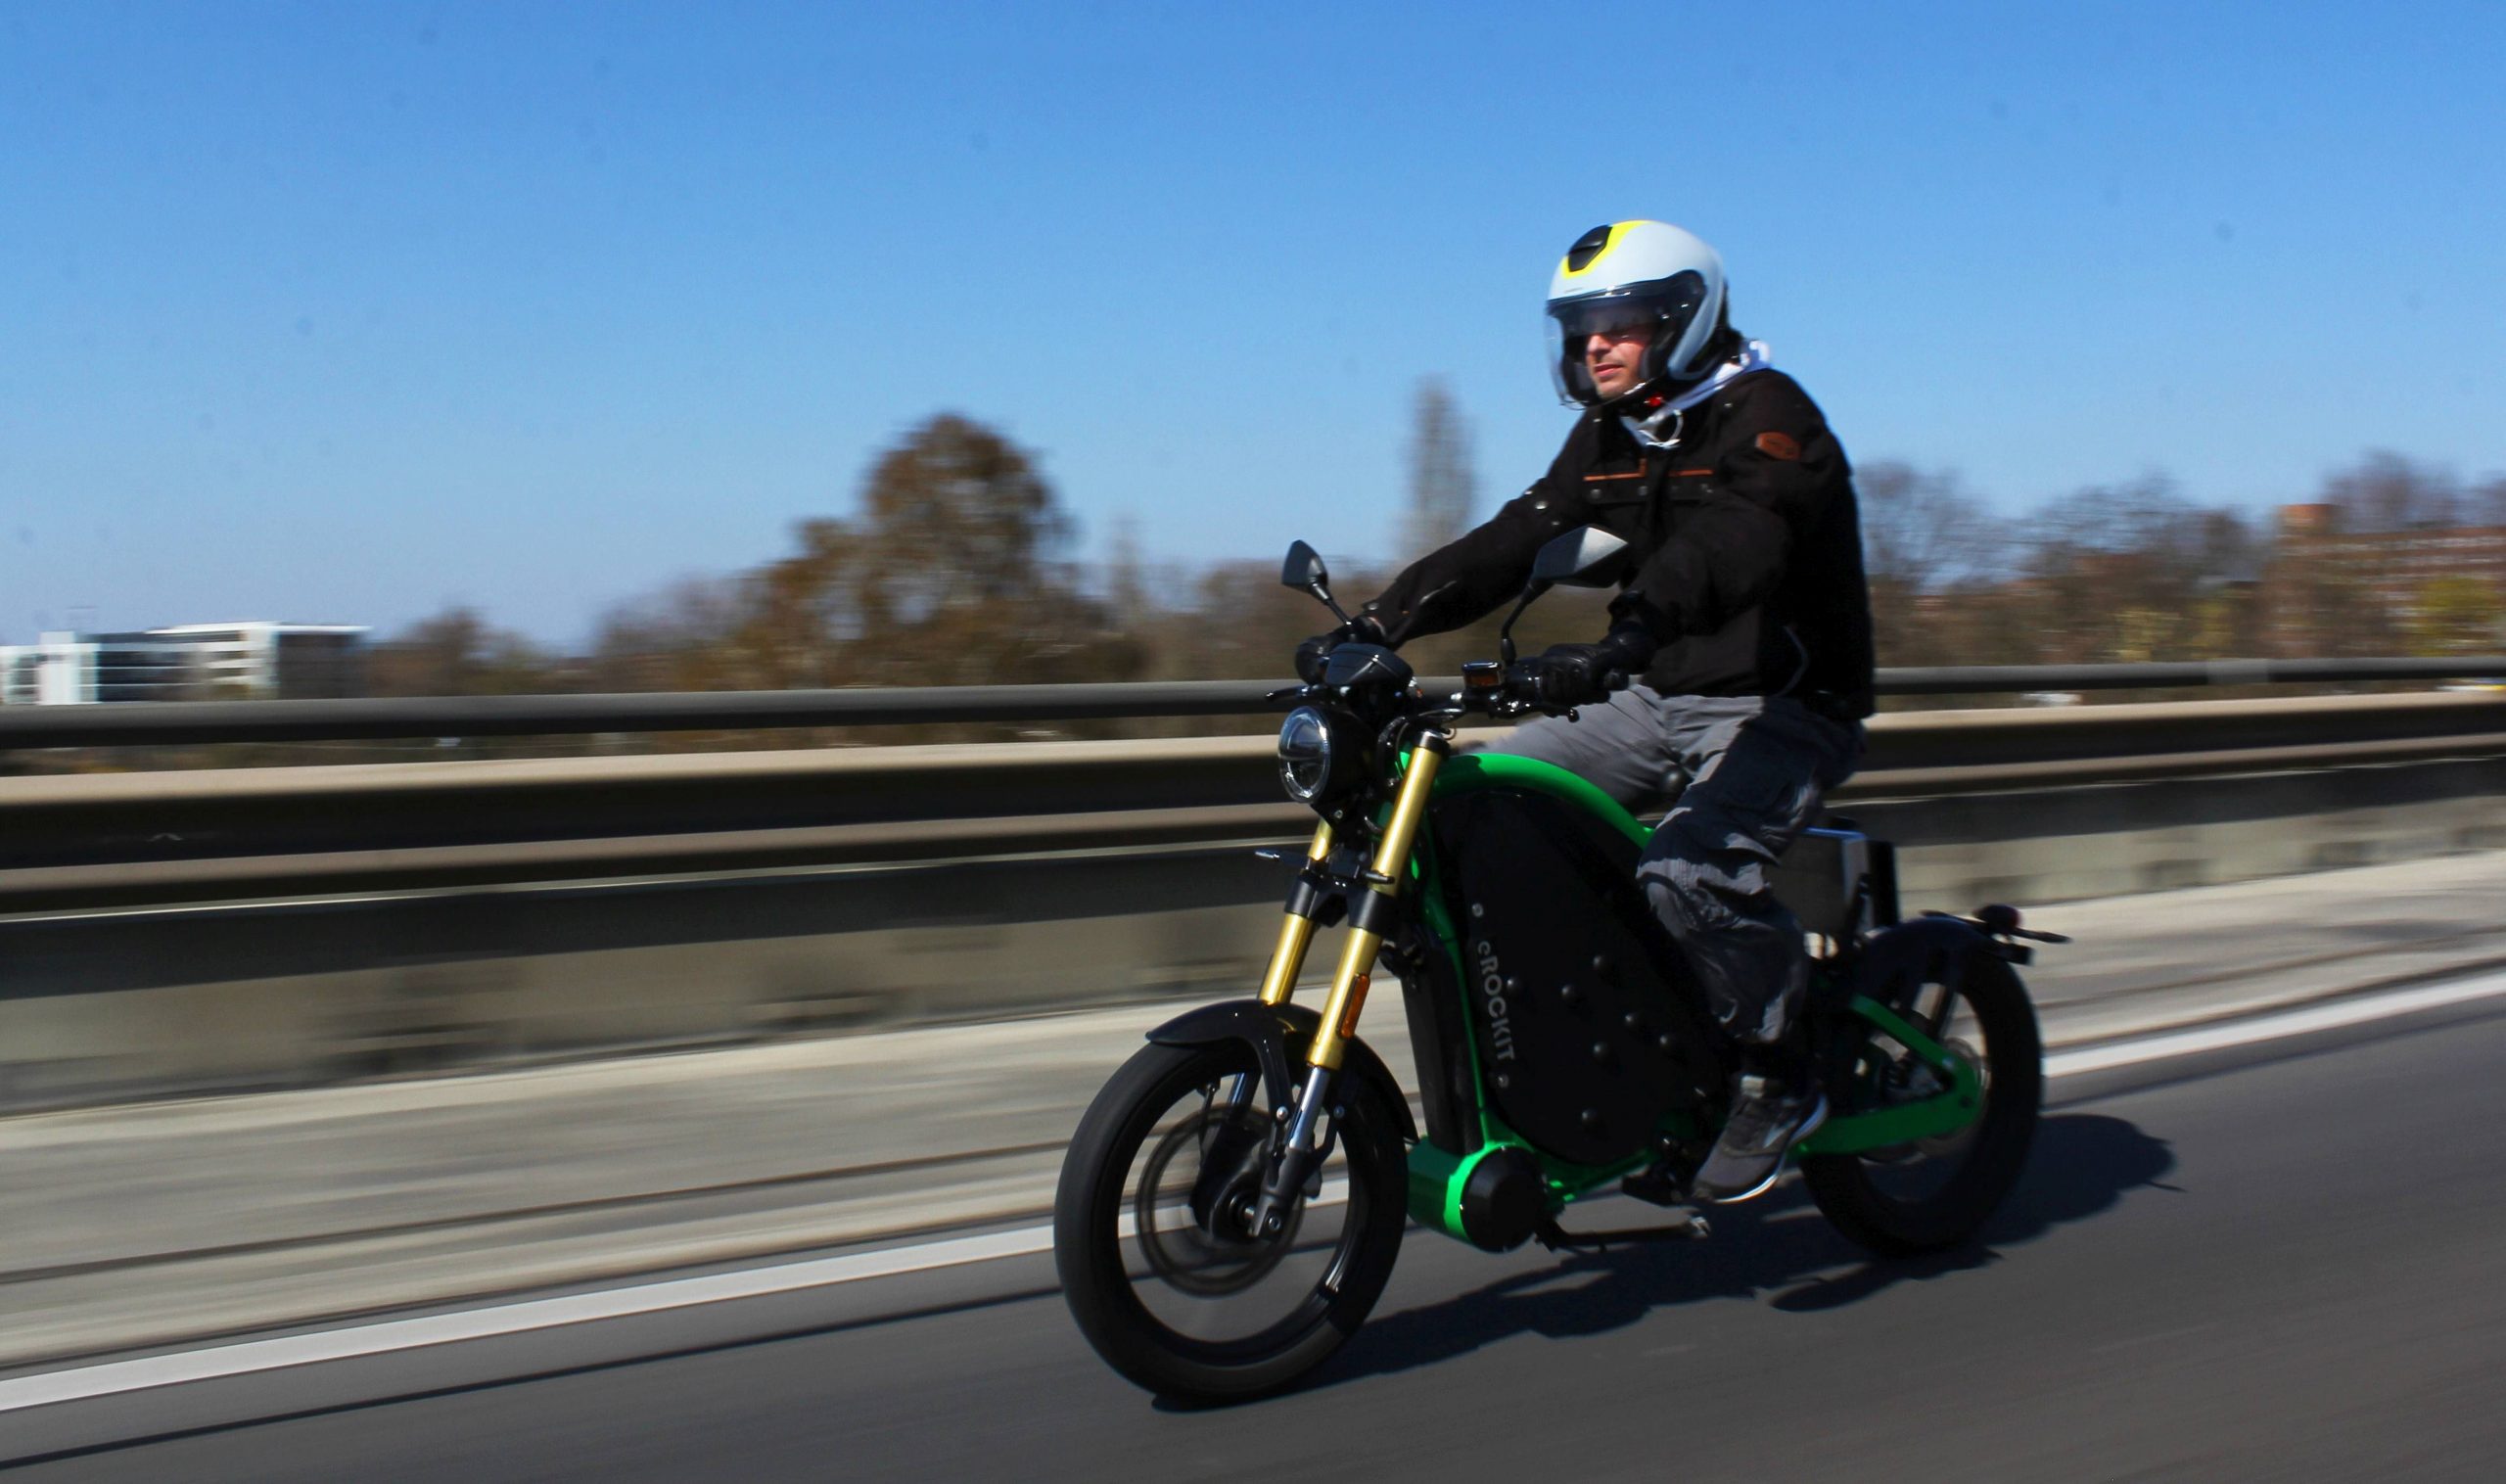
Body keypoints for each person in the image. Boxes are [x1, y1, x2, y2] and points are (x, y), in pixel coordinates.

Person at [1298, 220, 1875, 1203]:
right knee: (1475, 810)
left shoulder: (1771, 417)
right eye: (1576, 329)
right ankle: (1614, 1054)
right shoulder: (1609, 434)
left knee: (1687, 873)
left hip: (1779, 703)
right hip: (1652, 696)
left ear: (1684, 319)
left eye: (1618, 323)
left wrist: (1626, 637)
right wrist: (1376, 626)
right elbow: (1517, 539)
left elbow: (1735, 546)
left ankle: (1780, 1070)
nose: (1591, 345)